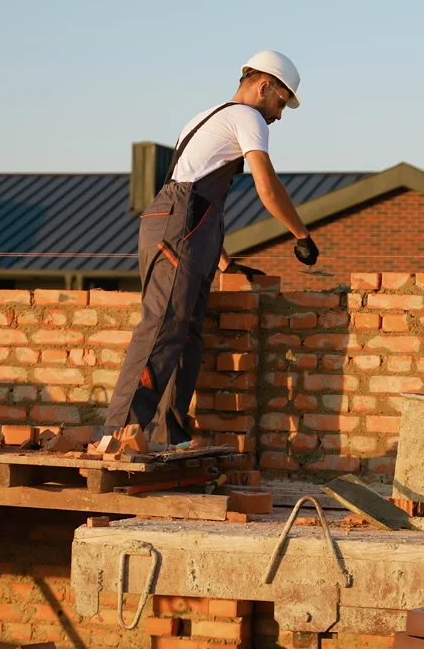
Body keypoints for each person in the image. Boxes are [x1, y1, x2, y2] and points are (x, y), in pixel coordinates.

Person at [105, 50, 319, 442]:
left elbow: (195, 190)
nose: (280, 114)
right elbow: (267, 187)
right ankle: (118, 434)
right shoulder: (248, 117)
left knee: (185, 333)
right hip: (178, 224)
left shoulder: (205, 117)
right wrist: (302, 236)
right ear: (264, 85)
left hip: (178, 225)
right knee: (164, 326)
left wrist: (222, 262)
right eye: (281, 101)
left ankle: (169, 436)